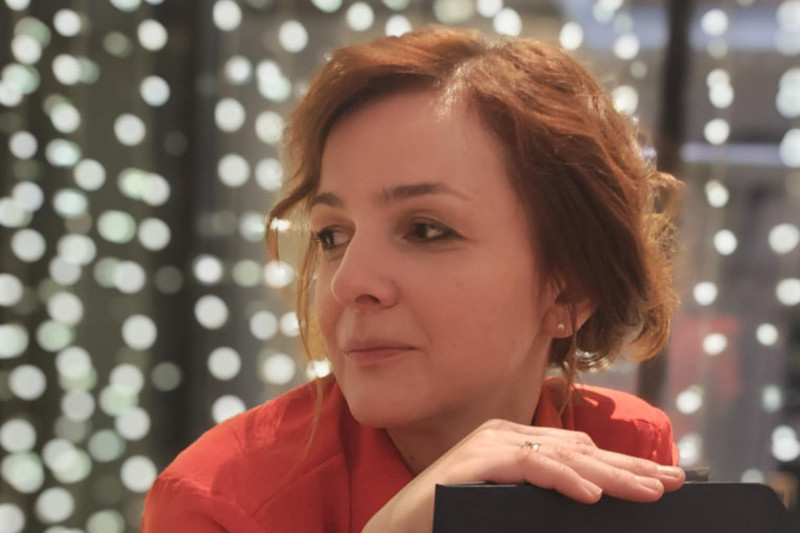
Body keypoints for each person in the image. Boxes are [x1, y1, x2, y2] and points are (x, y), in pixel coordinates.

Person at [142, 25, 685, 532]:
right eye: (332, 236)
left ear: (569, 289)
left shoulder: (621, 449)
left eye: (426, 230)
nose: (348, 283)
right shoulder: (220, 504)